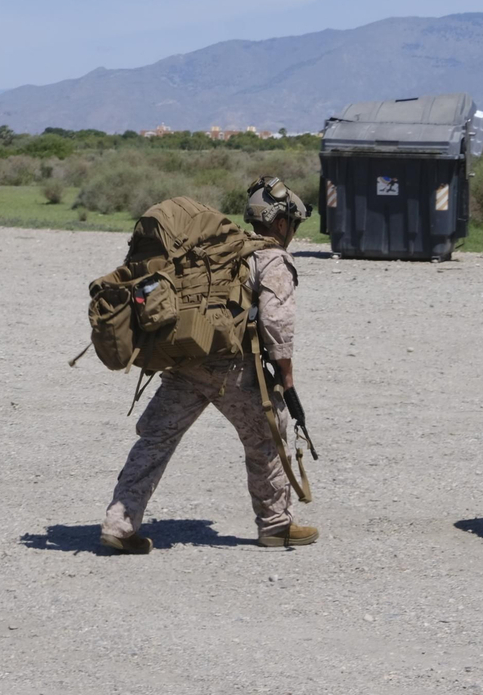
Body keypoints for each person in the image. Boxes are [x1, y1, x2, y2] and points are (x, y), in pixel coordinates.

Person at [100, 177, 320, 553]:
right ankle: (276, 525)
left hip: (186, 361)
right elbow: (276, 323)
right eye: (293, 225)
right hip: (233, 368)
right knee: (267, 439)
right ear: (281, 223)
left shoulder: (225, 250)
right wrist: (286, 378)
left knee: (155, 440)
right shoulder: (272, 259)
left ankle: (119, 524)